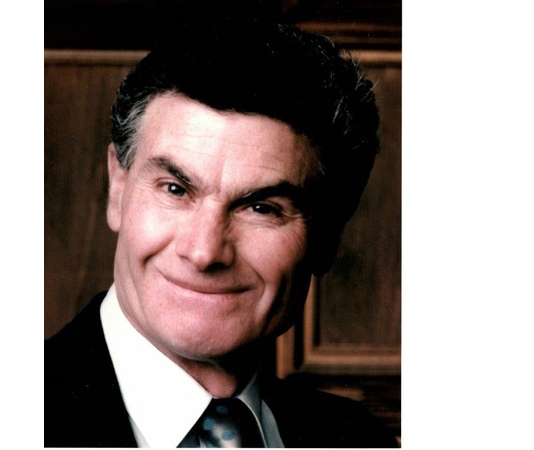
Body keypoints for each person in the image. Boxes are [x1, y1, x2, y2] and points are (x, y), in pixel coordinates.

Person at [45, 21, 398, 448]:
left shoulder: (360, 439)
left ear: (328, 236)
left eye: (261, 208)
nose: (204, 251)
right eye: (175, 189)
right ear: (118, 188)